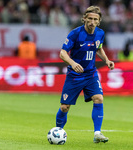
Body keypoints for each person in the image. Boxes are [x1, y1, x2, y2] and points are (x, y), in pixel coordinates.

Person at [55, 6, 115, 143]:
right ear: (84, 19)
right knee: (65, 107)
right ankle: (58, 131)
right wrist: (72, 63)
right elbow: (62, 53)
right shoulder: (75, 34)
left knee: (99, 98)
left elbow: (98, 48)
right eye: (90, 19)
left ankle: (97, 133)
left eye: (95, 19)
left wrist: (107, 60)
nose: (92, 22)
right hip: (74, 75)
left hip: (90, 74)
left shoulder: (100, 33)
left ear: (99, 21)